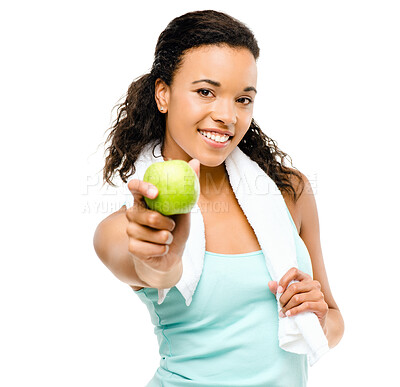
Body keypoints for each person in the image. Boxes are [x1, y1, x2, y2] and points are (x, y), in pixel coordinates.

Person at [93, 9, 344, 386]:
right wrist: (164, 260)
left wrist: (317, 316)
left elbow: (334, 321)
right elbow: (151, 268)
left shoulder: (289, 193)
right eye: (205, 92)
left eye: (243, 99)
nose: (227, 115)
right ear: (163, 93)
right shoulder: (127, 228)